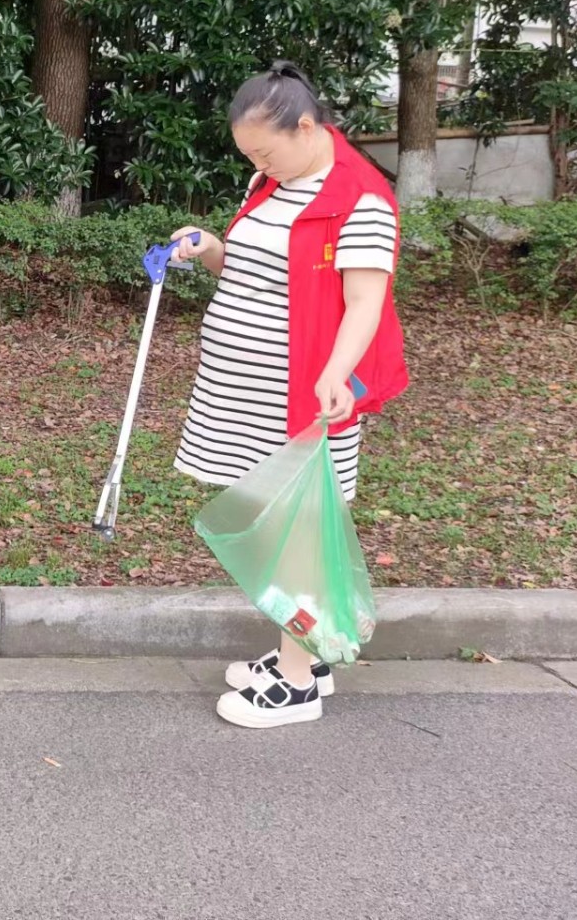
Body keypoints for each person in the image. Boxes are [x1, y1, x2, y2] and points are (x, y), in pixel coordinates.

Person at [169, 61, 407, 729]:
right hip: (241, 391)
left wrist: (337, 371)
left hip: (304, 395)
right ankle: (303, 650)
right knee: (279, 523)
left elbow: (365, 301)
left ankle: (298, 683)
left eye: (265, 151)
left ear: (307, 127)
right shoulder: (273, 182)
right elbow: (252, 269)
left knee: (300, 529)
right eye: (249, 156)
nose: (258, 165)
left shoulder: (361, 199)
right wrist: (212, 245)